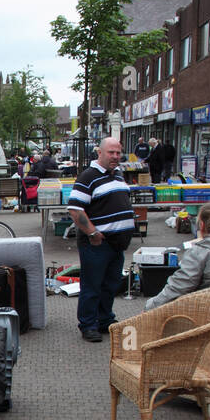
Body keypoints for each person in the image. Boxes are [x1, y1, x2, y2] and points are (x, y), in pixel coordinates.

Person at [68, 137, 135, 342]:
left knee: (110, 285)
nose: (115, 156)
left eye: (118, 152)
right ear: (100, 153)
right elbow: (75, 208)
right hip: (97, 244)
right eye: (111, 152)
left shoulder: (118, 175)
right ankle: (88, 324)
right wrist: (92, 233)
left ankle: (105, 319)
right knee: (92, 285)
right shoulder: (89, 176)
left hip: (116, 244)